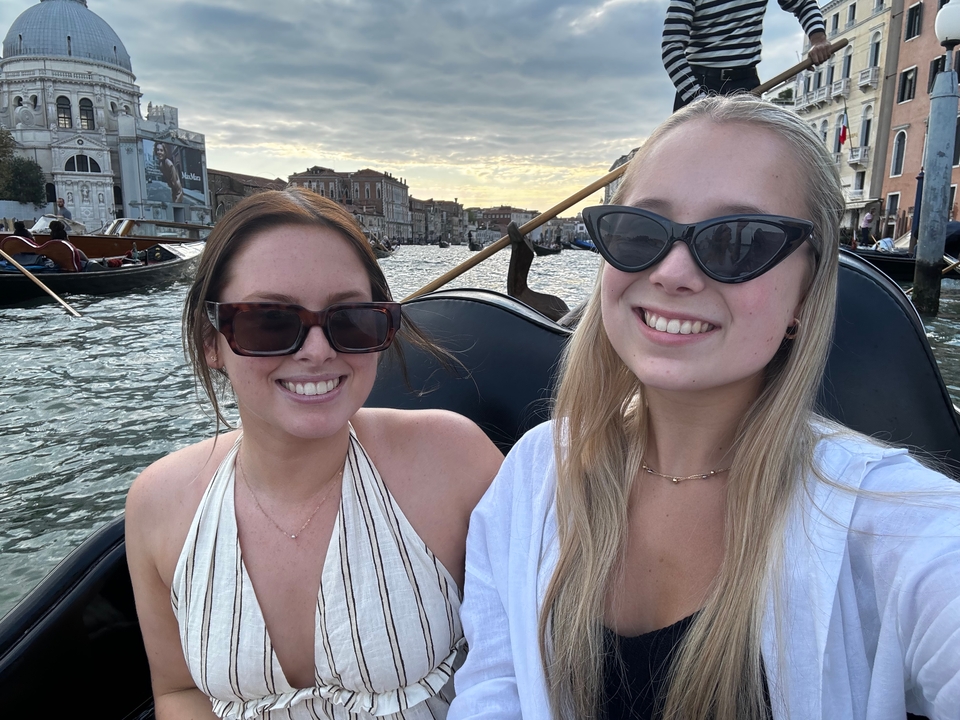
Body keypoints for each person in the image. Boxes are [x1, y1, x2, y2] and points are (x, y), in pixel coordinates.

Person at [450, 95, 960, 720]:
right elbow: (492, 695)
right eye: (641, 230)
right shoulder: (532, 475)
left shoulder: (895, 522)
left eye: (739, 240)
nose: (672, 272)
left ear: (806, 293)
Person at [126, 188, 503, 719]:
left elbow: (528, 664)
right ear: (211, 342)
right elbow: (180, 692)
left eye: (350, 318)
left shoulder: (457, 462)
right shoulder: (157, 503)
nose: (318, 350)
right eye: (269, 321)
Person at [662, 0, 832, 111]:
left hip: (746, 86)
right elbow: (671, 48)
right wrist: (698, 100)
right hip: (699, 84)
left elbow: (803, 4)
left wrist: (818, 40)